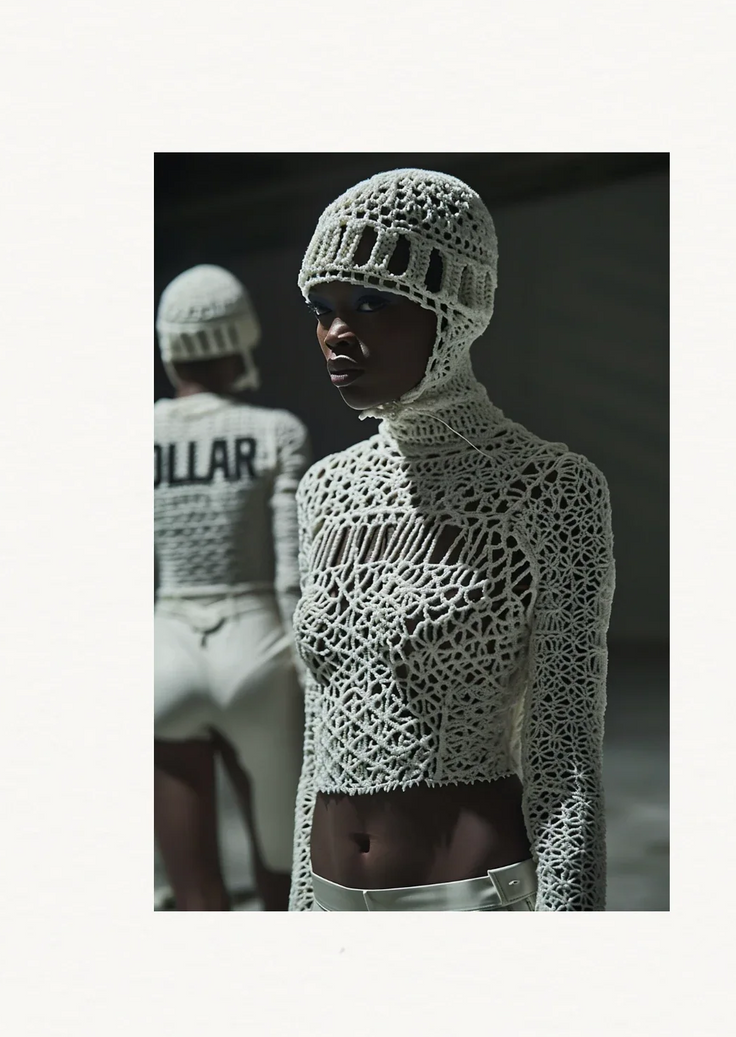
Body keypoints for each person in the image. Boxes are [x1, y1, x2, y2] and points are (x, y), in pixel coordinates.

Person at [289, 170, 615, 912]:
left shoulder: (549, 488)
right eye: (323, 308)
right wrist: (299, 904)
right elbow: (319, 735)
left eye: (373, 301)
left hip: (467, 893)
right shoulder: (324, 491)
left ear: (455, 309)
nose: (338, 331)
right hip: (331, 888)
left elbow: (563, 755)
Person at [154, 264, 310, 911]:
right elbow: (290, 572)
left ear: (170, 347)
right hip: (259, 649)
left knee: (192, 896)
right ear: (240, 336)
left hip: (165, 650)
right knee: (283, 875)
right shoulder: (276, 430)